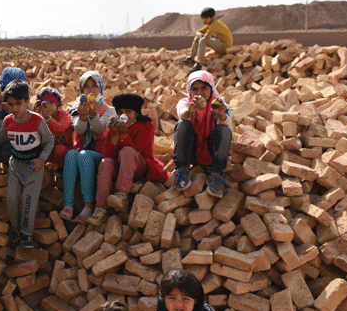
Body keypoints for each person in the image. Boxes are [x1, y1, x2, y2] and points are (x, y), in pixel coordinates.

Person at [0, 81, 54, 249]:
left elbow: (49, 141)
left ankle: (26, 235)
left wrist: (42, 159)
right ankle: (16, 231)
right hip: (15, 165)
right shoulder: (8, 121)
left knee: (29, 201)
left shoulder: (37, 120)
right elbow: (0, 136)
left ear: (27, 101)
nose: (14, 108)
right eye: (11, 104)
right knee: (12, 199)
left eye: (18, 104)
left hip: (33, 167)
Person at [89, 93, 168, 225]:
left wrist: (125, 135)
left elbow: (139, 151)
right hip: (121, 165)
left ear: (136, 112)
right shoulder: (114, 125)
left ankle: (122, 195)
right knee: (105, 162)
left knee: (127, 151)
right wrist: (114, 135)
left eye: (128, 111)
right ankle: (100, 208)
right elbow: (110, 155)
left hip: (140, 165)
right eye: (120, 112)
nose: (124, 115)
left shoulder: (146, 125)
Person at [61, 71, 115, 224]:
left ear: (100, 88)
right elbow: (78, 130)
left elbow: (101, 129)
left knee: (84, 155)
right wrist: (83, 116)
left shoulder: (109, 110)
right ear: (81, 89)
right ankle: (68, 205)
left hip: (99, 154)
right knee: (71, 154)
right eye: (86, 86)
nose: (90, 90)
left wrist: (93, 115)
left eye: (94, 86)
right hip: (79, 150)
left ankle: (88, 206)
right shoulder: (76, 108)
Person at [173, 70, 232, 198]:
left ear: (211, 89)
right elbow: (182, 113)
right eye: (195, 89)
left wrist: (221, 114)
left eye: (204, 88)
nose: (199, 92)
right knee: (182, 124)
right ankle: (182, 170)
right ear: (189, 91)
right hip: (191, 152)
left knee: (225, 130)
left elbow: (228, 122)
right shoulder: (185, 103)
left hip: (211, 153)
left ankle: (215, 174)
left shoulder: (219, 104)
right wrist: (190, 111)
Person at [180, 7, 232, 73]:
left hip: (225, 46)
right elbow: (197, 32)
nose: (204, 20)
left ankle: (200, 64)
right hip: (219, 43)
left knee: (203, 40)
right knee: (198, 38)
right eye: (203, 18)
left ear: (212, 17)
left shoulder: (216, 24)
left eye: (206, 18)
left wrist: (202, 36)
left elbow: (207, 36)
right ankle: (192, 58)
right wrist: (201, 35)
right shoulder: (209, 25)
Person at [36, 87, 73, 171]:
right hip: (46, 152)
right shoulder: (39, 117)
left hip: (63, 152)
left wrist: (48, 119)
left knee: (60, 150)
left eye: (52, 102)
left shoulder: (65, 115)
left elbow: (59, 129)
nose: (48, 106)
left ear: (57, 103)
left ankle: (60, 170)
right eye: (45, 103)